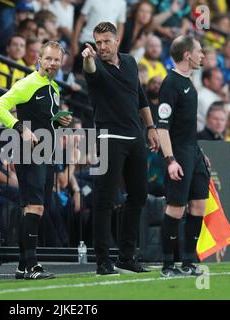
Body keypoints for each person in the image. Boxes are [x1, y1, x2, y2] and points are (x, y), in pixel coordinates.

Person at [82, 22, 160, 275]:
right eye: (98, 42)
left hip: (136, 137)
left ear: (117, 41)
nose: (102, 47)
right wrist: (88, 59)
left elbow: (140, 97)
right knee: (104, 200)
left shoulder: (130, 62)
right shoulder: (94, 64)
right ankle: (103, 260)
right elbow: (90, 69)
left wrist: (150, 128)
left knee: (138, 196)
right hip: (108, 137)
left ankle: (127, 256)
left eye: (106, 41)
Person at [0, 40, 72, 280]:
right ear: (39, 59)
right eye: (48, 58)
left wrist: (59, 122)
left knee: (33, 207)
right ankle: (32, 266)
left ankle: (22, 266)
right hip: (29, 152)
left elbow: (45, 121)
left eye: (57, 59)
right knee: (34, 206)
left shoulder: (54, 88)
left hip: (45, 152)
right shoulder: (27, 83)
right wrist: (20, 128)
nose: (52, 63)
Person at [156, 35, 210, 277]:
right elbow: (162, 128)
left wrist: (199, 153)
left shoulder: (189, 82)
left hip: (193, 152)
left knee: (199, 205)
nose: (202, 55)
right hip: (177, 154)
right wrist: (170, 161)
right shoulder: (171, 84)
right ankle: (168, 265)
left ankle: (188, 261)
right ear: (187, 54)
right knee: (176, 209)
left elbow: (186, 126)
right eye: (199, 51)